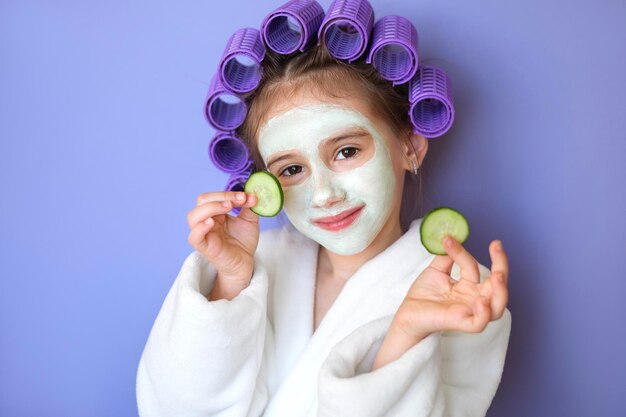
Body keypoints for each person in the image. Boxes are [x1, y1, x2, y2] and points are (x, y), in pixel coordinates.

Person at [136, 43, 511, 417]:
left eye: (346, 151)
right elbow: (172, 408)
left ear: (409, 145)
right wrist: (230, 281)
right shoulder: (258, 266)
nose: (324, 195)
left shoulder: (462, 294)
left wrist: (407, 334)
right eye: (292, 170)